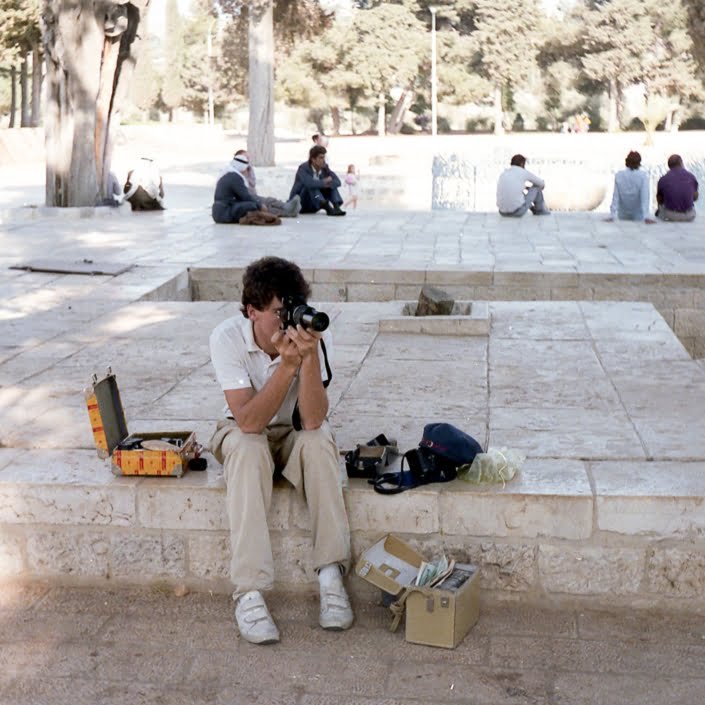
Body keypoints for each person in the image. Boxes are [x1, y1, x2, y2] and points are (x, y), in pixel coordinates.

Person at [208, 256, 353, 645]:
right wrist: (286, 366)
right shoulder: (227, 338)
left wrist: (305, 359)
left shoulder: (313, 334)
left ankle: (331, 576)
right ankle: (250, 593)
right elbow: (249, 421)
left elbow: (312, 419)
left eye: (293, 309)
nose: (289, 322)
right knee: (248, 447)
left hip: (293, 428)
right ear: (251, 312)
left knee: (319, 442)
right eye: (278, 313)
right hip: (244, 428)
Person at [232, 150, 301, 218]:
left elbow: (252, 184)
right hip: (244, 198)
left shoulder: (248, 169)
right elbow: (242, 190)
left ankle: (287, 207)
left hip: (251, 196)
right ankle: (287, 210)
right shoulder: (234, 172)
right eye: (245, 158)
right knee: (266, 203)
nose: (247, 161)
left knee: (268, 201)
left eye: (248, 158)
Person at [290, 146, 345, 216]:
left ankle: (336, 207)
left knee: (332, 186)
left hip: (315, 203)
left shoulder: (325, 167)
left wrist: (326, 184)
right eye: (321, 158)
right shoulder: (303, 168)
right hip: (301, 204)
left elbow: (337, 182)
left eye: (324, 157)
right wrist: (324, 181)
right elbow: (309, 183)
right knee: (311, 186)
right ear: (313, 159)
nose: (323, 160)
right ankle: (328, 208)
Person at [604, 151, 656, 224]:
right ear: (639, 163)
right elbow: (645, 197)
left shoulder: (619, 175)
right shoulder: (643, 176)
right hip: (639, 215)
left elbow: (615, 197)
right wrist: (646, 216)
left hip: (622, 214)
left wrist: (612, 215)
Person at [211, 156, 264, 224]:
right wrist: (260, 205)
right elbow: (246, 196)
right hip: (225, 213)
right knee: (252, 205)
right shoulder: (235, 177)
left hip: (218, 213)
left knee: (253, 204)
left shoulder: (228, 174)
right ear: (242, 167)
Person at [655, 154, 698, 222]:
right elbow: (695, 198)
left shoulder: (663, 179)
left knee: (660, 204)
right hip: (690, 215)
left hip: (670, 216)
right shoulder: (691, 177)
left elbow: (660, 200)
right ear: (681, 163)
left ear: (669, 165)